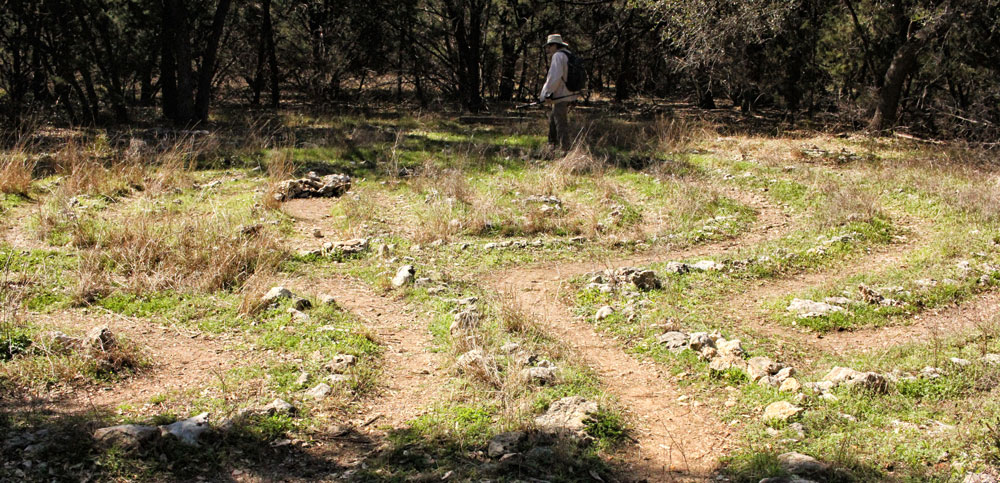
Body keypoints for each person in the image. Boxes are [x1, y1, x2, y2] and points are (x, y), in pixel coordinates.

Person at [539, 34, 579, 151]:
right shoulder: (569, 55)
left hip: (560, 95)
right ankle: (551, 146)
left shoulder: (558, 56)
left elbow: (554, 77)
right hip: (569, 93)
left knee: (560, 123)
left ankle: (565, 150)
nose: (548, 49)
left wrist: (547, 93)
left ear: (555, 45)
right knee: (554, 119)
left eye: (549, 46)